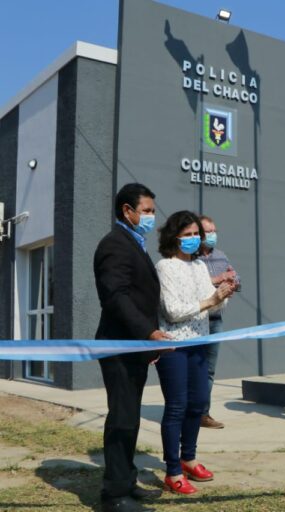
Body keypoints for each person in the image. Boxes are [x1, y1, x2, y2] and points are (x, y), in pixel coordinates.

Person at [94, 183, 168, 512]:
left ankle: (127, 480)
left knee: (131, 419)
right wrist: (148, 332)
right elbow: (116, 297)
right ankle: (114, 496)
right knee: (122, 419)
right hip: (120, 347)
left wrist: (148, 337)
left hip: (134, 347)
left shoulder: (133, 244)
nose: (152, 216)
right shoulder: (115, 245)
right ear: (128, 211)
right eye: (147, 211)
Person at [155, 211, 235, 495]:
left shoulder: (200, 266)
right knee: (176, 406)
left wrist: (222, 296)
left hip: (200, 341)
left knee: (198, 403)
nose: (192, 239)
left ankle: (189, 458)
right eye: (186, 234)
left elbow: (211, 308)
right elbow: (173, 311)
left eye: (195, 235)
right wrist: (210, 299)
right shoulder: (165, 267)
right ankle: (172, 470)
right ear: (173, 237)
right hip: (174, 345)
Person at [198, 215, 240, 429]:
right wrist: (217, 280)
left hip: (216, 320)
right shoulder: (190, 257)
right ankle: (189, 411)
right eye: (208, 231)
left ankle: (203, 414)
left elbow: (235, 278)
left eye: (214, 231)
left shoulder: (221, 256)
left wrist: (232, 282)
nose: (212, 235)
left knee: (209, 370)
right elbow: (191, 284)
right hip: (195, 320)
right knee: (193, 367)